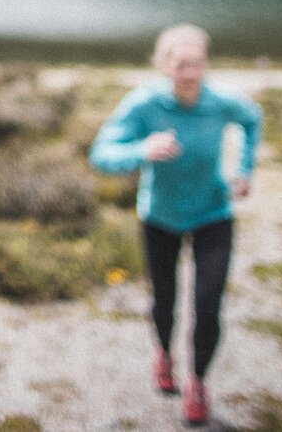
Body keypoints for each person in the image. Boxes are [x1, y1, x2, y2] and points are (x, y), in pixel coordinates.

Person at [89, 24, 261, 426]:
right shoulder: (145, 104)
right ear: (163, 65)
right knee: (164, 300)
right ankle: (163, 354)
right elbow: (102, 154)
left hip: (213, 214)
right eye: (181, 64)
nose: (190, 73)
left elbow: (252, 120)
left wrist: (245, 169)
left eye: (197, 64)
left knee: (208, 304)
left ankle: (197, 382)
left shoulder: (220, 102)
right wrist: (141, 149)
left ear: (206, 63)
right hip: (160, 217)